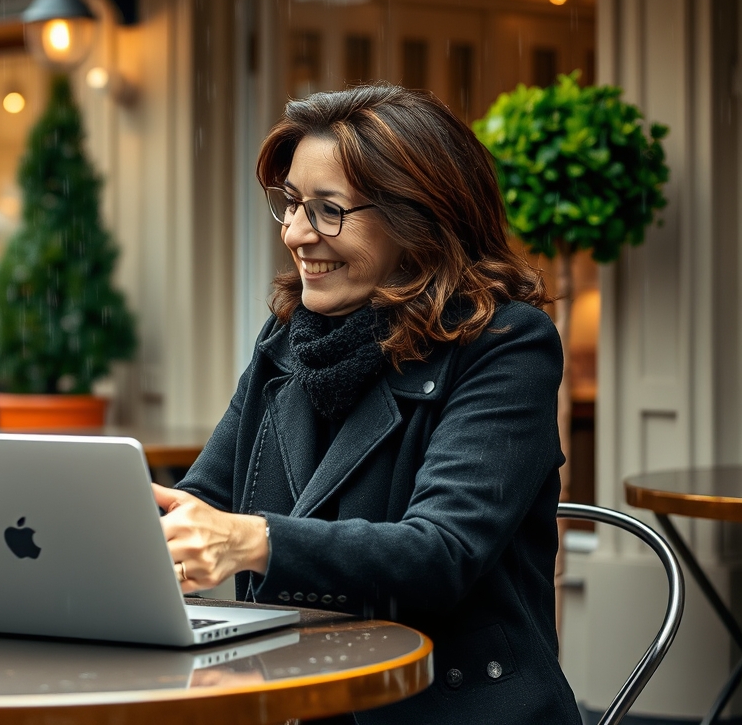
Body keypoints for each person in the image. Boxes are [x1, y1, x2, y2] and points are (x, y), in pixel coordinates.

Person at [154, 85, 577, 723]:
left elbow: (442, 551)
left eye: (328, 210)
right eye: (292, 204)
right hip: (296, 695)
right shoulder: (289, 338)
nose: (296, 233)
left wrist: (254, 540)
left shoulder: (507, 345)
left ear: (419, 221)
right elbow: (204, 500)